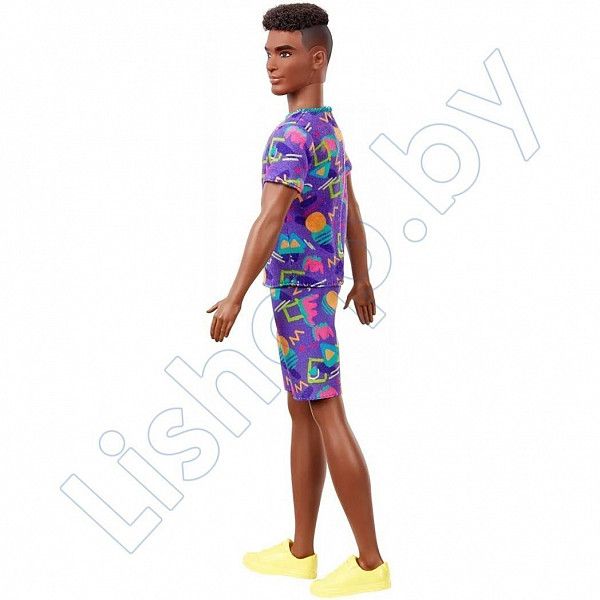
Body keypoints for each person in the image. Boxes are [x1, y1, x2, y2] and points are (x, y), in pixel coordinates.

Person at [206, 3, 391, 596]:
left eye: (284, 52)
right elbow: (350, 208)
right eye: (267, 53)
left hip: (302, 295)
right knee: (303, 410)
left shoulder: (291, 136)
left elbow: (269, 220)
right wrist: (361, 278)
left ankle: (370, 564)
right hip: (316, 289)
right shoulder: (328, 129)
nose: (271, 64)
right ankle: (302, 551)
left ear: (318, 58)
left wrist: (234, 295)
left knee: (327, 410)